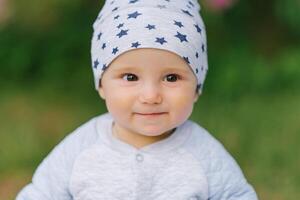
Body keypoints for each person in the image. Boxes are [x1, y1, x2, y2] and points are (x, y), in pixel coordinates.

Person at [16, 0, 258, 199]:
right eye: (130, 77)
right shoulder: (81, 149)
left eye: (171, 77)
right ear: (102, 85)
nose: (151, 96)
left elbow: (237, 195)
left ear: (196, 88)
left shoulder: (204, 154)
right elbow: (40, 194)